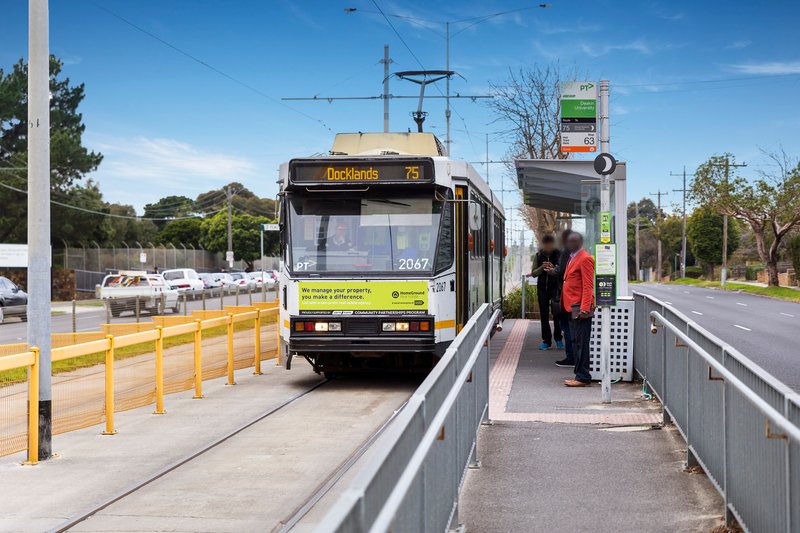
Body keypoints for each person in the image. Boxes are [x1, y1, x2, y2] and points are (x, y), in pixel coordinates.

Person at [560, 231, 595, 387]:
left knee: (581, 343)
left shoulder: (585, 258)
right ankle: (579, 374)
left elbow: (588, 285)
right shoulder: (572, 258)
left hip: (580, 309)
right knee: (575, 341)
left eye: (573, 242)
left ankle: (583, 376)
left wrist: (585, 308)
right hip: (571, 307)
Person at [545, 229, 575, 368]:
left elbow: (561, 270)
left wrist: (551, 270)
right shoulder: (574, 251)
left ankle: (571, 357)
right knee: (570, 327)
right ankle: (573, 356)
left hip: (564, 295)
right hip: (571, 295)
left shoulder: (565, 251)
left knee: (567, 327)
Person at [530, 235, 562, 350]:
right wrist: (541, 268)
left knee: (557, 314)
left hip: (555, 289)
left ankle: (558, 339)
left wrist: (554, 268)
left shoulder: (559, 255)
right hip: (542, 289)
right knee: (544, 315)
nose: (548, 246)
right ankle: (546, 341)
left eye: (550, 244)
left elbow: (562, 271)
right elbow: (533, 273)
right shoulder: (538, 256)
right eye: (546, 244)